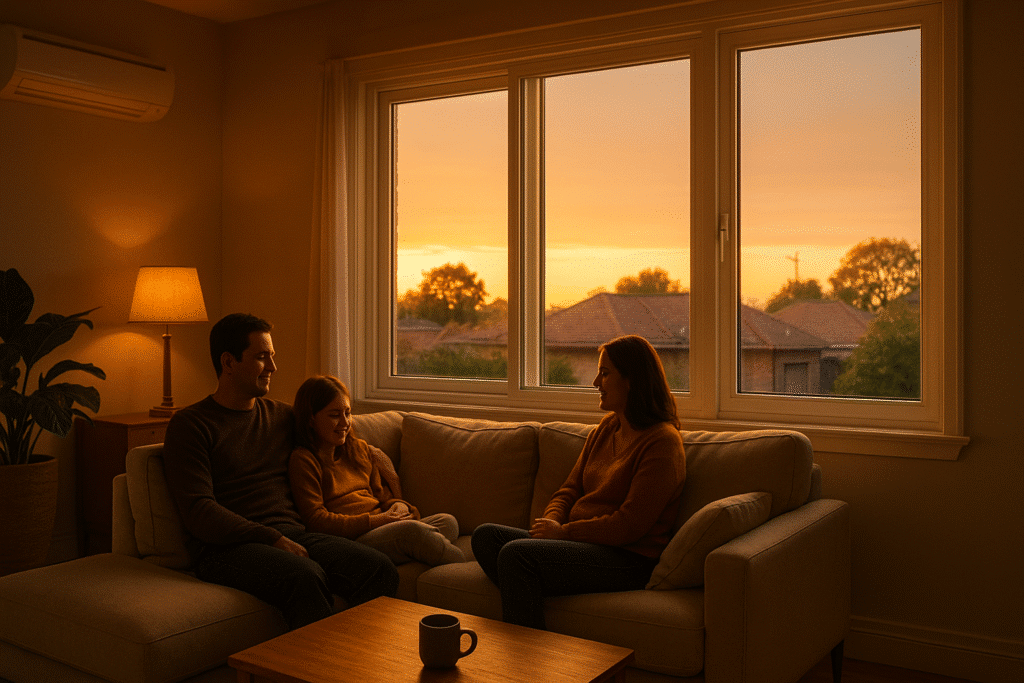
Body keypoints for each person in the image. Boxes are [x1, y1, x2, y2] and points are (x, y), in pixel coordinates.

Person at [162, 314, 398, 630]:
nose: (273, 367)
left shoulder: (282, 416)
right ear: (229, 362)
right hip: (226, 549)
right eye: (262, 357)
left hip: (294, 533)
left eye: (272, 356)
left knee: (378, 568)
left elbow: (336, 445)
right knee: (305, 575)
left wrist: (379, 461)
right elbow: (199, 511)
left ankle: (357, 660)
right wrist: (271, 538)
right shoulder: (191, 426)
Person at [471, 334, 686, 629]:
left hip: (628, 558)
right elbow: (569, 489)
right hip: (580, 544)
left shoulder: (662, 443)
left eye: (605, 373)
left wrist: (564, 534)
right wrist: (548, 528)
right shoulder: (609, 426)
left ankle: (524, 662)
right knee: (485, 537)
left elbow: (630, 524)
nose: (596, 382)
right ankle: (533, 588)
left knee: (516, 556)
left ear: (632, 379)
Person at [288, 375, 464, 566]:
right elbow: (316, 520)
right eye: (334, 415)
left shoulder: (358, 449)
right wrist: (376, 521)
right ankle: (461, 570)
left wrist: (399, 506)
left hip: (382, 525)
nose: (345, 423)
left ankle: (411, 549)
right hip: (354, 538)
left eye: (347, 413)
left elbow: (382, 497)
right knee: (414, 533)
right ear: (311, 419)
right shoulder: (303, 460)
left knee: (448, 522)